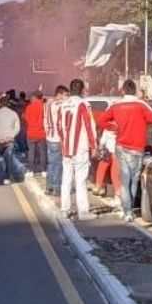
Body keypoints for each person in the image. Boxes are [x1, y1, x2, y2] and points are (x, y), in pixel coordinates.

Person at [97, 80, 152, 222]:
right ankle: (129, 208)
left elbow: (101, 121)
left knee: (124, 180)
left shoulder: (116, 106)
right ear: (135, 91)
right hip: (137, 148)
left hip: (120, 146)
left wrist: (113, 127)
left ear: (123, 91)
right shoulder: (141, 105)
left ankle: (127, 212)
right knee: (134, 180)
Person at [57, 79, 98, 220]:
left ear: (69, 89)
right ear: (82, 90)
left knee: (66, 179)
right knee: (80, 180)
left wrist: (64, 142)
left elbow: (59, 127)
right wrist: (93, 145)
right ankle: (83, 212)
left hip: (66, 147)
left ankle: (64, 210)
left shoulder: (63, 105)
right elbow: (89, 125)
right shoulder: (83, 104)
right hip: (80, 147)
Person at [0, 96, 25, 185]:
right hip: (9, 139)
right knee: (9, 159)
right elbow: (17, 127)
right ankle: (7, 178)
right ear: (8, 104)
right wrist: (11, 136)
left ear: (0, 103)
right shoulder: (13, 113)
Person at [44, 85, 68, 196]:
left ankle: (49, 186)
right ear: (59, 95)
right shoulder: (61, 106)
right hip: (58, 138)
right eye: (65, 95)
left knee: (51, 163)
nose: (67, 97)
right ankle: (56, 188)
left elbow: (45, 120)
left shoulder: (47, 104)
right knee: (59, 164)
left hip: (49, 137)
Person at [23, 90, 47, 178]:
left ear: (35, 97)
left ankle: (30, 170)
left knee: (31, 151)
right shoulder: (44, 106)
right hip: (41, 132)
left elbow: (26, 118)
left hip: (31, 132)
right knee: (43, 152)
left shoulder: (29, 107)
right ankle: (44, 170)